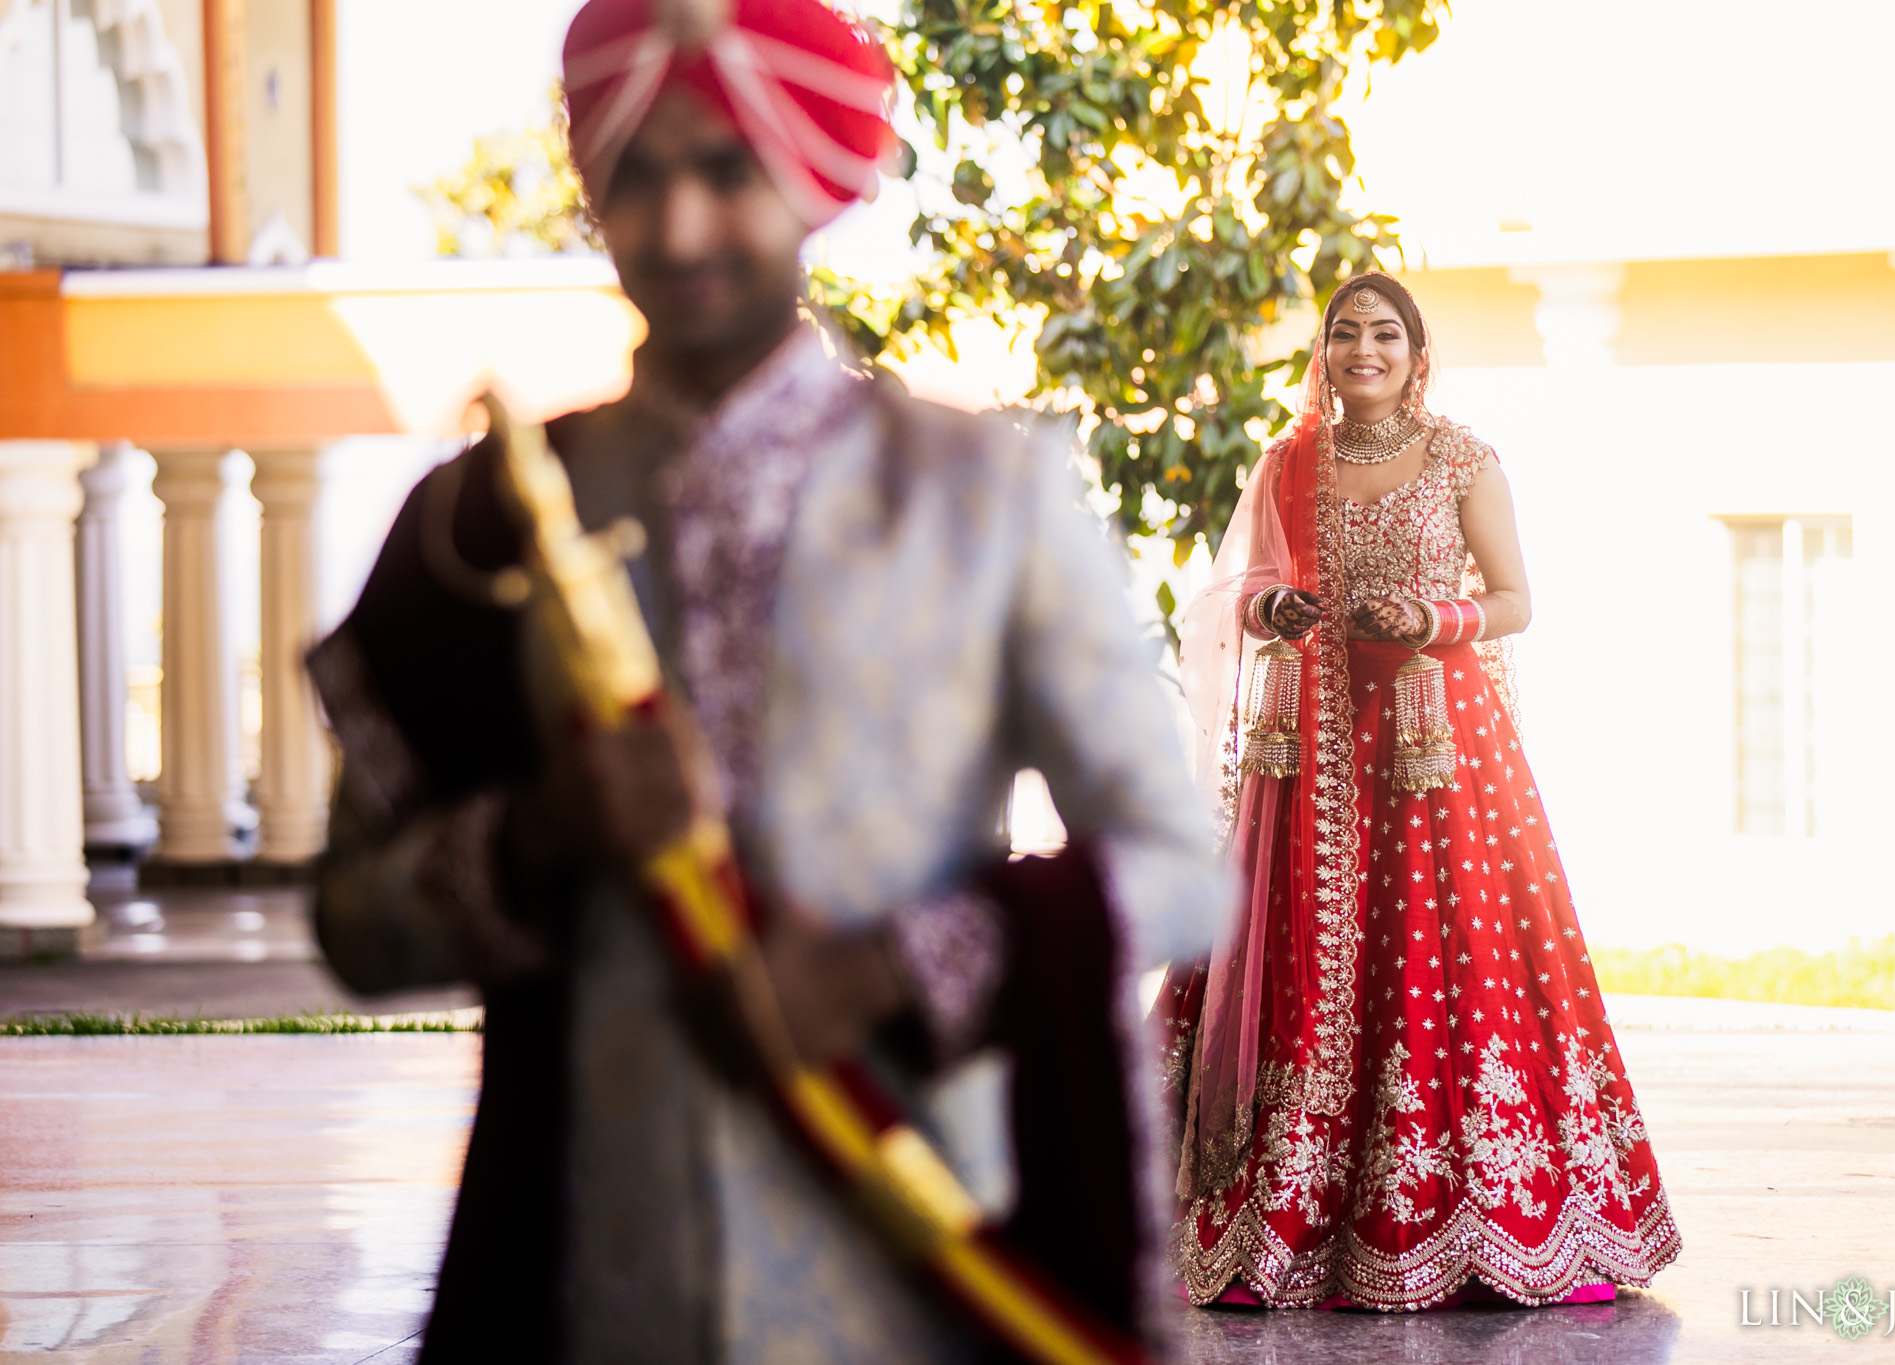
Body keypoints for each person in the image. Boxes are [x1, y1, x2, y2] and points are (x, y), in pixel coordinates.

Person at [305, 0, 1227, 1359]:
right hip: (591, 1276)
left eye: (725, 172)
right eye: (638, 177)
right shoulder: (488, 524)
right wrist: (542, 829)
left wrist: (892, 965)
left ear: (811, 176)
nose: (679, 231)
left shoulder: (983, 495)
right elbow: (352, 927)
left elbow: (1185, 870)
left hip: (923, 1265)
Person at [1159, 271, 1681, 1310]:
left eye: (1383, 334)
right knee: (1302, 955)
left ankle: (1474, 1219)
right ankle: (1283, 1220)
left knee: (1443, 950)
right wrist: (1275, 608)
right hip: (1307, 752)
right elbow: (1238, 593)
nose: (1363, 349)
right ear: (1323, 350)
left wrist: (1431, 623)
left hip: (1432, 752)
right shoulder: (1285, 458)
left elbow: (1513, 601)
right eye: (1344, 332)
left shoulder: (1461, 458)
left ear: (1415, 351)